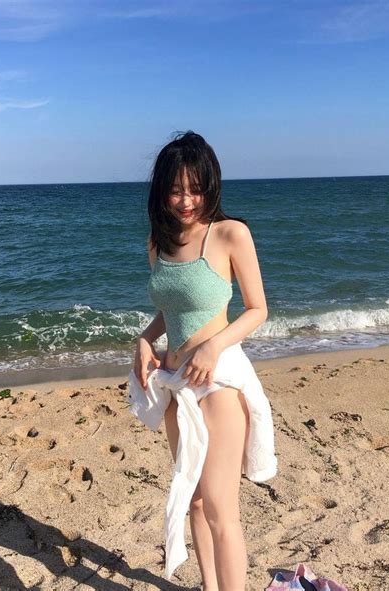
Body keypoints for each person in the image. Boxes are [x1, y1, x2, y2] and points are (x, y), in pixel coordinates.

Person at [133, 130, 272, 590]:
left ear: (210, 185)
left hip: (217, 382)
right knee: (192, 498)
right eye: (176, 189)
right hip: (175, 382)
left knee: (220, 510)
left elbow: (257, 309)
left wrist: (213, 347)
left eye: (195, 188)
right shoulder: (159, 242)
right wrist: (145, 339)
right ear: (162, 191)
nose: (186, 200)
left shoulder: (230, 234)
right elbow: (170, 308)